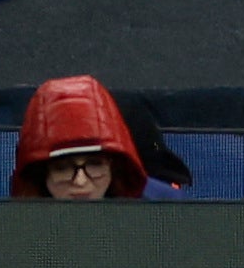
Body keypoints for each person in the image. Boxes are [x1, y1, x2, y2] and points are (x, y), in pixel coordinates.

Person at [11, 77, 166, 200]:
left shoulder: (164, 219)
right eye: (62, 168)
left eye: (95, 164)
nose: (80, 181)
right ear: (40, 175)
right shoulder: (12, 233)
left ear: (115, 168)